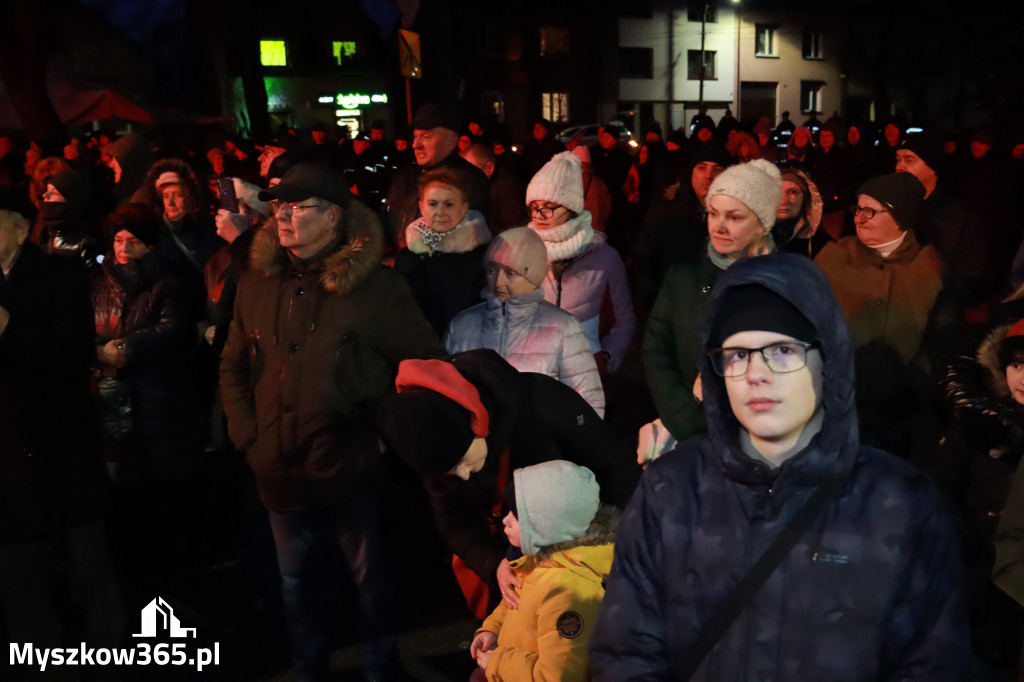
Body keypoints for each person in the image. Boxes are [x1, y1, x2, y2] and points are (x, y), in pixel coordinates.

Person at [590, 253, 970, 680]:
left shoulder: (899, 504)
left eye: (783, 350)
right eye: (736, 355)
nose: (756, 374)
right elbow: (625, 655)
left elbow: (934, 664)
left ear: (828, 359)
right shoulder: (670, 491)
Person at [221, 162, 444, 682]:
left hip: (350, 464)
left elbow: (423, 364)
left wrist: (380, 433)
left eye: (298, 207)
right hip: (275, 462)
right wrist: (248, 437)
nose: (283, 216)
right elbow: (233, 363)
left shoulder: (376, 289)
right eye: (278, 206)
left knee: (369, 580)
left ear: (334, 216)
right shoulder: (256, 280)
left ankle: (379, 666)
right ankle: (308, 667)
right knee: (296, 583)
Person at [376, 350, 640, 616]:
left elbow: (617, 468)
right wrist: (494, 565)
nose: (464, 476)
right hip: (515, 566)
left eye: (463, 462)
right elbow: (453, 525)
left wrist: (603, 549)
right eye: (451, 473)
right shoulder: (428, 442)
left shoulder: (545, 402)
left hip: (588, 558)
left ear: (476, 421)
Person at [0, 188, 123, 663]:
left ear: (15, 227)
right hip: (7, 450)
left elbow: (73, 353)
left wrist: (10, 331)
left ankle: (108, 657)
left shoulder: (60, 273)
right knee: (18, 575)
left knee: (87, 566)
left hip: (61, 441)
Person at [643, 159, 781, 443]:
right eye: (713, 213)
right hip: (693, 433)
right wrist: (683, 414)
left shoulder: (785, 281)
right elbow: (657, 349)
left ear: (762, 224)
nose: (719, 227)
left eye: (735, 217)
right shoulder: (683, 277)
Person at [469, 461, 614, 682]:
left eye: (517, 516)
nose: (505, 520)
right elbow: (515, 601)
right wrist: (493, 629)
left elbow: (558, 677)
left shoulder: (568, 591)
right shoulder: (540, 559)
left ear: (546, 526)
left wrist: (497, 662)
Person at [937, 314, 1024, 675]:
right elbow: (941, 495)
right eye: (1017, 364)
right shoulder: (977, 425)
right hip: (979, 584)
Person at [446, 227, 605, 416]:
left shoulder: (564, 328)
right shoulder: (461, 325)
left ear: (534, 275)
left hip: (539, 443)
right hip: (478, 443)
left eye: (510, 273)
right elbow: (445, 396)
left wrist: (563, 442)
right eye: (491, 270)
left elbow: (588, 407)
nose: (498, 282)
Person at [526, 151, 635, 379]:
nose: (539, 215)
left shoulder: (604, 258)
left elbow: (623, 321)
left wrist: (606, 360)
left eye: (549, 206)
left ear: (571, 208)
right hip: (533, 384)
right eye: (534, 206)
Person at [395, 167, 492, 337]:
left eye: (449, 204)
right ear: (421, 207)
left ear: (464, 208)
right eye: (433, 204)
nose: (440, 212)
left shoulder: (483, 258)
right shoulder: (407, 259)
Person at [385, 104, 489, 249]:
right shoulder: (404, 176)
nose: (416, 145)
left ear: (450, 142)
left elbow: (465, 240)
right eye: (415, 136)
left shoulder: (470, 181)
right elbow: (389, 221)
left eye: (425, 137)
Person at [773, 165, 832, 257]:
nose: (784, 200)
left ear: (806, 199)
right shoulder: (750, 238)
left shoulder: (821, 245)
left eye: (793, 192)